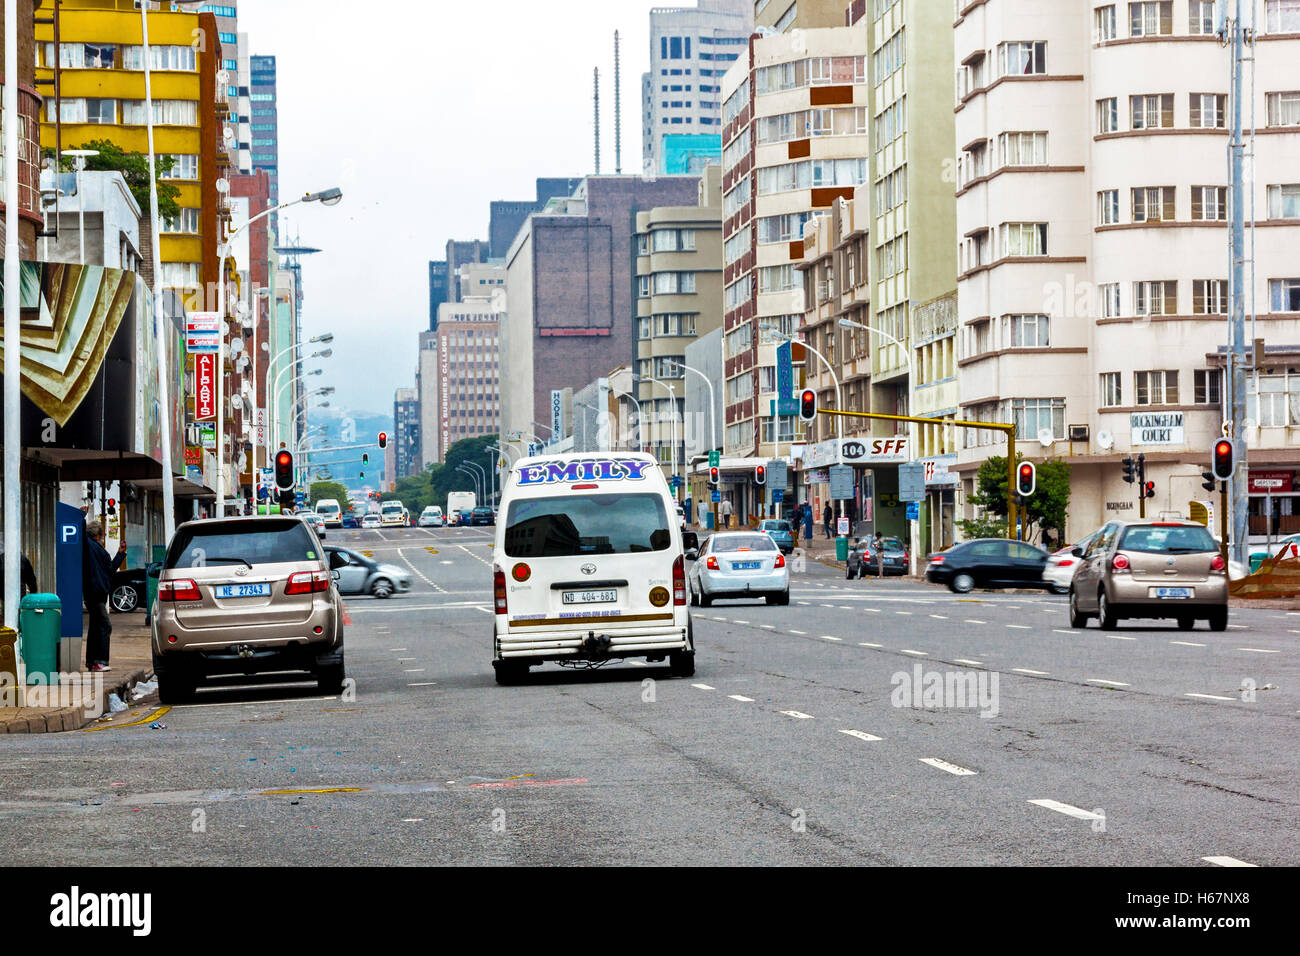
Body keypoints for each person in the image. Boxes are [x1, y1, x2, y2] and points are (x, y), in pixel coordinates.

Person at [83, 520, 125, 673]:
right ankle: (99, 662)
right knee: (104, 626)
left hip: (97, 593)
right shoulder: (88, 546)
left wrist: (120, 554)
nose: (103, 537)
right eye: (102, 534)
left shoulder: (96, 549)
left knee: (95, 628)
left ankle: (92, 662)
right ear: (97, 534)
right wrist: (82, 517)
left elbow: (110, 569)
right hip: (94, 593)